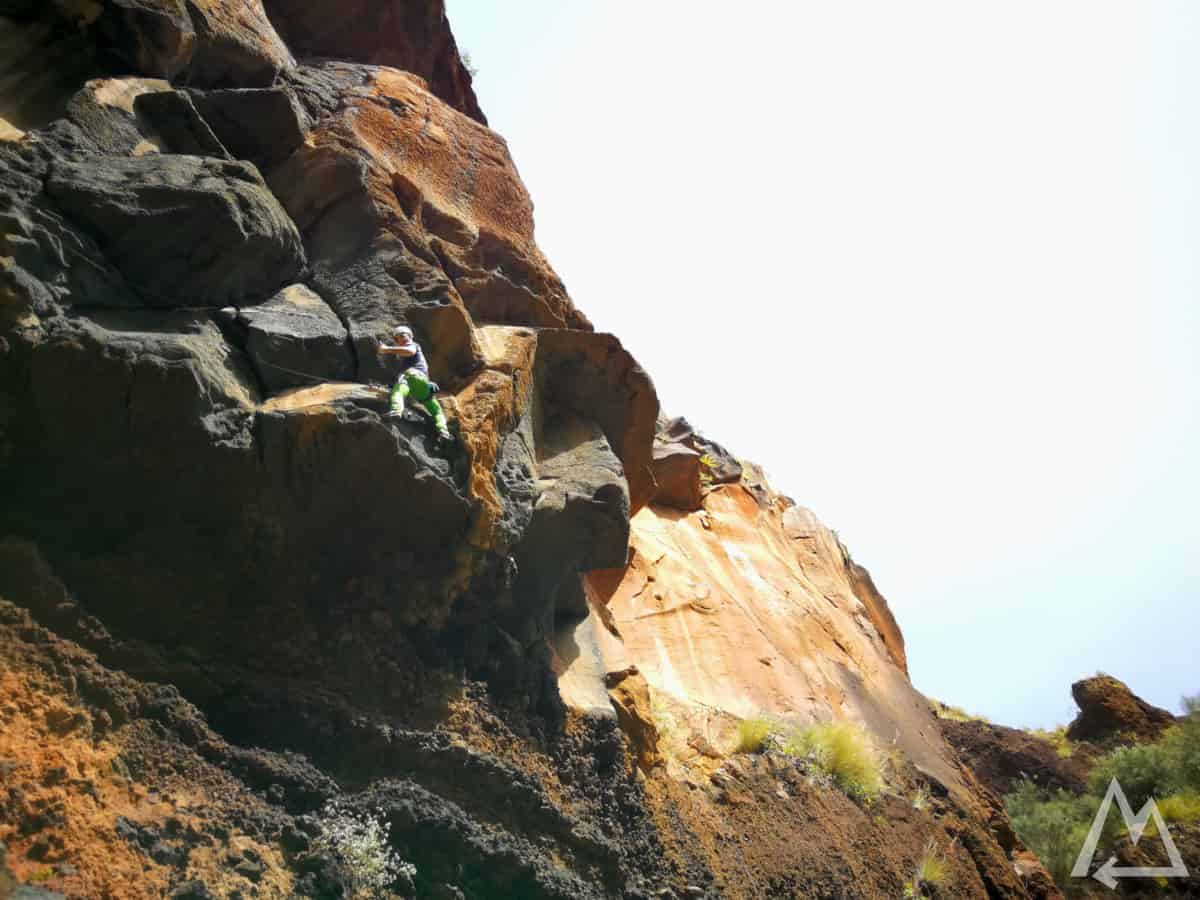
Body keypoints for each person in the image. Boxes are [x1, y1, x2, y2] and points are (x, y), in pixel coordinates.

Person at [376, 325, 452, 444]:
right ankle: (443, 431)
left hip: (411, 377)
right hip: (423, 385)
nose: (402, 338)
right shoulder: (413, 358)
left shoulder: (414, 346)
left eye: (403, 335)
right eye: (398, 337)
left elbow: (410, 351)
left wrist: (387, 349)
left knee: (398, 392)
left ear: (410, 336)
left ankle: (396, 410)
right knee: (436, 410)